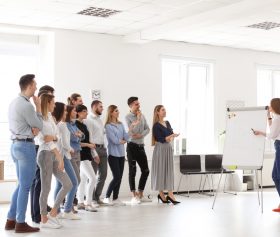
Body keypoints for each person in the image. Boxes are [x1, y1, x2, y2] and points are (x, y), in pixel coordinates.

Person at [5, 74, 43, 233]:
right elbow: (39, 124)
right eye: (34, 85)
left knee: (21, 184)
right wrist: (39, 107)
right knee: (26, 186)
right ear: (28, 86)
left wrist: (33, 129)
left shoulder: (14, 102)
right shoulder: (27, 105)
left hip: (15, 145)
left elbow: (33, 127)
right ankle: (20, 222)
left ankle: (10, 220)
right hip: (25, 146)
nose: (36, 88)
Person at [37, 94, 72, 229]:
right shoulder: (41, 119)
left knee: (68, 184)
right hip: (45, 154)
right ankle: (43, 219)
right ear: (47, 103)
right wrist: (58, 155)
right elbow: (45, 139)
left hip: (53, 154)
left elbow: (55, 137)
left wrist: (53, 138)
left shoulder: (51, 118)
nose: (55, 105)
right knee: (46, 188)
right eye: (53, 103)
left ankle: (53, 212)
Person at [30, 85, 54, 224]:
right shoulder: (37, 114)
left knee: (40, 183)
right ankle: (36, 214)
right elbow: (41, 135)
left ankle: (39, 211)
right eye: (50, 97)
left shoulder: (46, 115)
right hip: (39, 148)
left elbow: (53, 135)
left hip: (44, 148)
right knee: (38, 183)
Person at [52, 102, 80, 220]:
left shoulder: (59, 124)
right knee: (74, 182)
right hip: (64, 156)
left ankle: (58, 211)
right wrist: (71, 149)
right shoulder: (62, 125)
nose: (66, 112)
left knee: (60, 184)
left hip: (63, 156)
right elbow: (64, 143)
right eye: (64, 110)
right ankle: (67, 210)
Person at [253, 98, 280, 212]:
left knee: (277, 176)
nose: (269, 107)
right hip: (278, 146)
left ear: (275, 107)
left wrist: (261, 133)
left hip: (279, 146)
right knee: (275, 176)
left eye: (270, 106)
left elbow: (271, 135)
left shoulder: (277, 120)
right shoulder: (277, 119)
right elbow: (273, 131)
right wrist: (269, 116)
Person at [151, 105, 180, 205]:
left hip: (168, 149)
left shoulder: (167, 122)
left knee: (169, 171)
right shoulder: (156, 125)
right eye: (163, 110)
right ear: (157, 112)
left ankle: (170, 194)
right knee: (161, 171)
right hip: (160, 149)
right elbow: (162, 139)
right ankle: (161, 194)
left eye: (165, 110)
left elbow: (170, 136)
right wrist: (172, 135)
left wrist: (172, 136)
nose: (165, 111)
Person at [125, 97, 150, 204]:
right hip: (132, 146)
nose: (139, 106)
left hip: (141, 146)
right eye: (136, 104)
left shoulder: (142, 115)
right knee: (133, 171)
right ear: (130, 106)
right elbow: (131, 133)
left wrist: (140, 135)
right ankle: (134, 195)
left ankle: (140, 193)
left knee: (146, 170)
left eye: (139, 104)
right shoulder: (127, 117)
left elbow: (147, 129)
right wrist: (138, 120)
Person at [84, 100, 109, 205]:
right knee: (92, 176)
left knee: (103, 174)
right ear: (94, 107)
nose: (102, 108)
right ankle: (91, 199)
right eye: (100, 107)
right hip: (94, 149)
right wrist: (94, 153)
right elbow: (89, 138)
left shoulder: (100, 119)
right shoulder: (88, 120)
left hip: (103, 149)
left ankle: (97, 197)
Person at [103, 105, 129, 206]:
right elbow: (113, 140)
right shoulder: (108, 126)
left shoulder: (121, 124)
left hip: (122, 155)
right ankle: (106, 197)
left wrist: (130, 129)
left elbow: (126, 137)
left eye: (118, 110)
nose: (118, 112)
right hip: (113, 155)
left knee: (120, 177)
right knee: (116, 177)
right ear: (111, 113)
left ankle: (115, 198)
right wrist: (121, 141)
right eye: (116, 111)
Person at [75, 104, 98, 212]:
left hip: (87, 155)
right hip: (81, 155)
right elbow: (77, 143)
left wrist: (93, 153)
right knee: (93, 178)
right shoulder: (74, 125)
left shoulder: (84, 125)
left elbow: (88, 140)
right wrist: (89, 145)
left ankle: (80, 202)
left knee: (83, 179)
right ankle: (88, 203)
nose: (87, 113)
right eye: (84, 111)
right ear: (78, 112)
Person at [66, 105, 84, 212]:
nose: (75, 112)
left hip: (78, 152)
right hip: (71, 153)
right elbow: (72, 137)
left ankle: (71, 203)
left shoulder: (73, 124)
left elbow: (83, 135)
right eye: (73, 110)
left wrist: (78, 135)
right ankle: (69, 205)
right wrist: (77, 135)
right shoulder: (67, 125)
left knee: (76, 180)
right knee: (76, 179)